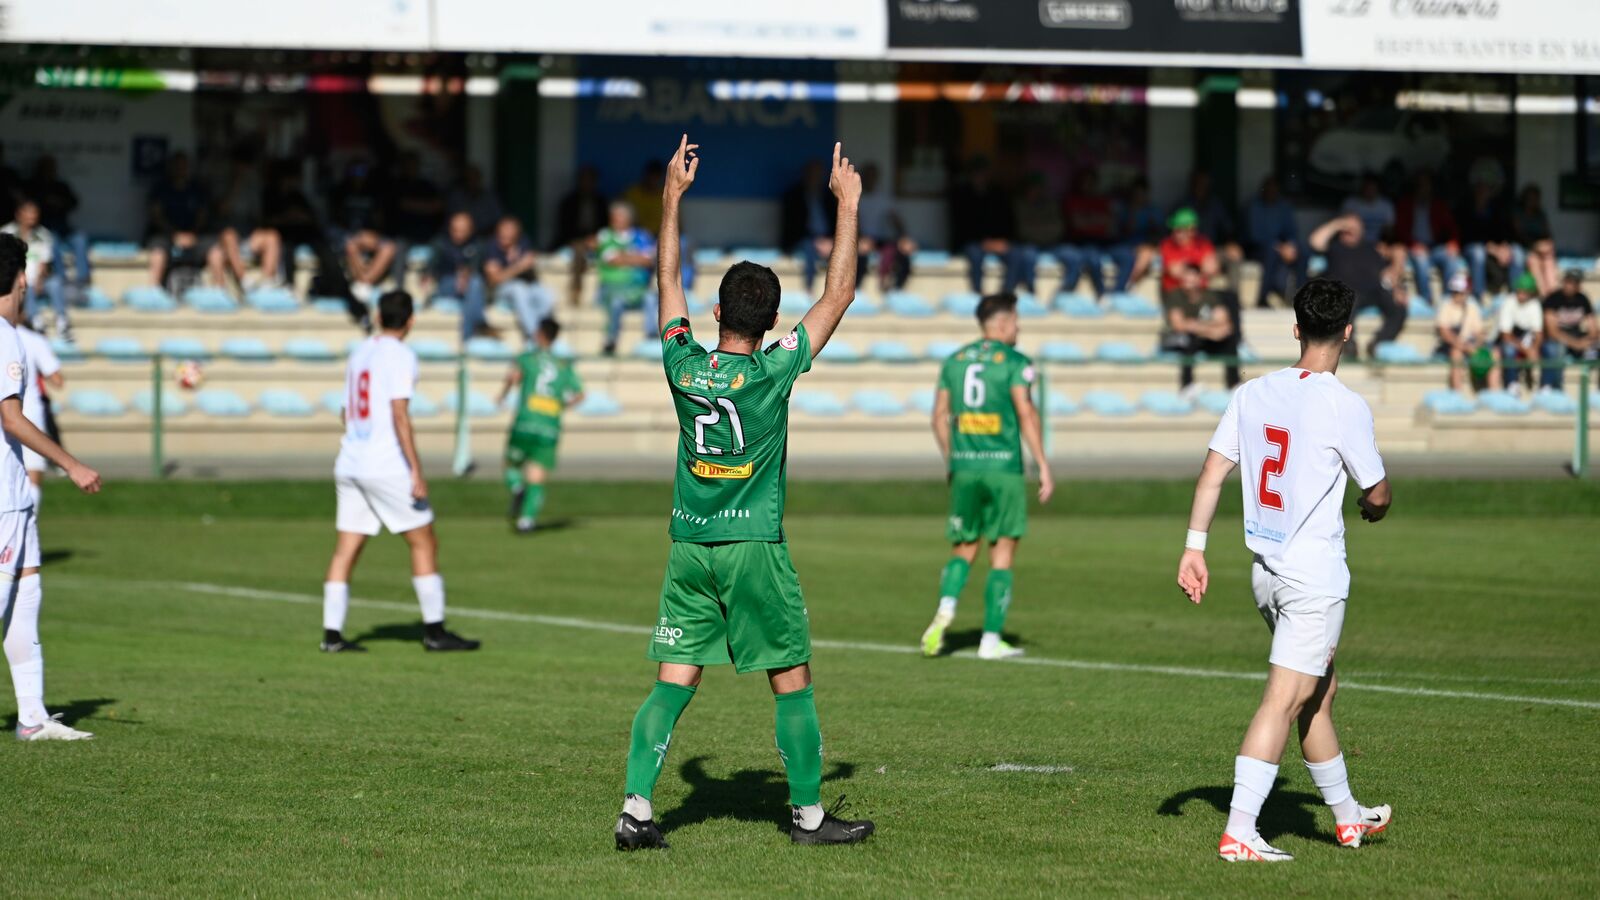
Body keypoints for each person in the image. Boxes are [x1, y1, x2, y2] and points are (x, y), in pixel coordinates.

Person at [615, 135, 874, 850]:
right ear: (769, 322)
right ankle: (808, 818)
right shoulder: (774, 372)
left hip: (689, 548)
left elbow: (666, 284)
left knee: (673, 681)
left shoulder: (683, 364)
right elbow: (841, 293)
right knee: (792, 679)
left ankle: (635, 810)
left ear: (719, 314)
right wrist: (847, 205)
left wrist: (672, 196)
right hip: (753, 548)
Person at [1177, 276, 1394, 863]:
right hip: (1311, 578)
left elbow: (1211, 475)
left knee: (1320, 689)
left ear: (1296, 328)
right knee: (1285, 697)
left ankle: (1349, 819)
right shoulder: (1343, 404)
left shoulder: (1253, 392)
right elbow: (1376, 492)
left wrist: (1194, 548)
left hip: (1266, 573)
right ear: (1348, 332)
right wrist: (1372, 509)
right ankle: (1240, 831)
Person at [321, 290, 479, 654]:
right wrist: (416, 470)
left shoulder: (359, 352)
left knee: (347, 547)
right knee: (424, 540)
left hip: (350, 462)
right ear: (411, 320)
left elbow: (346, 412)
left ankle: (331, 635)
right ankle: (436, 632)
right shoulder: (402, 354)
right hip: (385, 463)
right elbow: (399, 414)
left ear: (378, 316)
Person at [0, 233, 103, 740]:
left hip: (14, 496)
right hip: (0, 499)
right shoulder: (3, 335)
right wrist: (72, 464)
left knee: (27, 593)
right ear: (18, 278)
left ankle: (33, 718)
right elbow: (13, 420)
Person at [918, 292, 1053, 661]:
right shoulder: (1015, 362)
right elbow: (1025, 412)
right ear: (1005, 323)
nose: (1019, 327)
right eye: (1017, 321)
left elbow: (937, 417)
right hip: (1003, 468)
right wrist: (1042, 463)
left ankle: (946, 606)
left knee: (963, 546)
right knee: (1003, 551)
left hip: (964, 466)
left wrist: (953, 460)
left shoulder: (954, 361)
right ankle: (990, 640)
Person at [497, 318, 583, 534]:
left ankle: (517, 487)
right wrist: (560, 405)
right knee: (537, 475)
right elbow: (580, 394)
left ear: (539, 334)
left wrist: (503, 395)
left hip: (525, 421)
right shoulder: (564, 364)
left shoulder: (526, 358)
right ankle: (526, 521)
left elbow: (513, 377)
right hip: (549, 425)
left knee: (511, 464)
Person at [1309, 215, 1406, 358]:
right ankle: (1349, 345)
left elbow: (1398, 250)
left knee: (1399, 308)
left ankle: (1378, 344)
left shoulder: (1372, 247)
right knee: (1347, 302)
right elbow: (1315, 242)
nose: (1351, 229)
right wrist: (1337, 224)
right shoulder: (1335, 246)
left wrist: (1397, 286)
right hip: (1345, 291)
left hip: (1375, 290)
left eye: (1356, 226)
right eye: (1348, 226)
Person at [145, 152, 225, 290]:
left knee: (216, 250)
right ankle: (153, 291)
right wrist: (174, 234)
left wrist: (192, 234)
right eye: (177, 165)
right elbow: (156, 216)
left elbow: (202, 216)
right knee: (158, 251)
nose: (180, 169)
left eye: (184, 165)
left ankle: (220, 292)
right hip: (166, 236)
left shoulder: (197, 189)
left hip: (194, 237)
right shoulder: (161, 188)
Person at [1161, 266, 1241, 394]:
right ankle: (1186, 385)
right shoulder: (1175, 295)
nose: (1188, 281)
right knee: (1188, 338)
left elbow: (1224, 322)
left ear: (1199, 279)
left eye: (1192, 277)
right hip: (1179, 339)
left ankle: (1233, 383)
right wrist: (1210, 329)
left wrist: (1197, 325)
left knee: (1230, 342)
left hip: (1204, 338)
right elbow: (1178, 325)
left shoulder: (1209, 296)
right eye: (1186, 277)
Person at [950, 157, 1023, 295]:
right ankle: (977, 292)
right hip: (970, 242)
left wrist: (1001, 241)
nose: (981, 177)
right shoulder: (961, 194)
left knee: (1016, 253)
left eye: (984, 173)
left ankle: (1006, 293)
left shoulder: (997, 194)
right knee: (975, 254)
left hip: (996, 241)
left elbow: (1006, 221)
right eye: (977, 173)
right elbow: (962, 225)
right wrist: (985, 242)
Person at [1, 200, 69, 341]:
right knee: (26, 285)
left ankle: (62, 322)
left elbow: (44, 262)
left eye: (35, 213)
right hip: (13, 280)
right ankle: (36, 321)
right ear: (19, 214)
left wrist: (40, 279)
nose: (32, 216)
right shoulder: (6, 233)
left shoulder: (44, 235)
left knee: (55, 283)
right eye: (29, 212)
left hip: (36, 279)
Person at [214, 150, 283, 290]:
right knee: (229, 234)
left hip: (247, 235)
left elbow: (258, 217)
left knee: (272, 236)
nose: (243, 170)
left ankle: (267, 283)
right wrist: (237, 184)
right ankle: (244, 281)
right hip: (225, 236)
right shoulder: (221, 183)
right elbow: (222, 210)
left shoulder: (253, 186)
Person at [595, 201, 658, 356]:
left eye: (618, 217)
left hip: (638, 289)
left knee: (651, 298)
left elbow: (648, 260)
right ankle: (611, 339)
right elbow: (611, 259)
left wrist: (623, 257)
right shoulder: (605, 235)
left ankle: (651, 335)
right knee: (615, 302)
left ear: (628, 219)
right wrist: (635, 258)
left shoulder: (642, 236)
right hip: (612, 288)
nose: (614, 221)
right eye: (613, 217)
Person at [331, 160, 397, 305]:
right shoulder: (341, 192)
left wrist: (373, 235)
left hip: (371, 236)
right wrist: (357, 236)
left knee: (389, 247)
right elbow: (336, 220)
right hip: (348, 235)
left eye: (362, 172)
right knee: (350, 245)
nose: (358, 176)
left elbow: (381, 221)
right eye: (355, 172)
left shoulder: (375, 193)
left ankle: (364, 283)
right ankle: (364, 283)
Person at [24, 156, 90, 296]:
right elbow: (28, 206)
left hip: (63, 227)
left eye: (52, 168)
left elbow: (74, 202)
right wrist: (46, 202)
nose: (50, 171)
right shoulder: (32, 185)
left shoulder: (61, 186)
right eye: (47, 168)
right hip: (44, 227)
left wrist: (59, 202)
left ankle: (82, 278)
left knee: (80, 239)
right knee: (53, 241)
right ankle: (62, 279)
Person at [1393, 172, 1461, 305]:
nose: (1423, 189)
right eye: (1420, 185)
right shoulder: (1406, 204)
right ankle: (1427, 300)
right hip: (1413, 246)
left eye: (1426, 185)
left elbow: (1452, 227)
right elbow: (1399, 230)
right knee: (1422, 259)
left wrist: (1454, 242)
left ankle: (1448, 301)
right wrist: (1413, 244)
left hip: (1434, 247)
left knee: (1452, 259)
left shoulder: (1438, 205)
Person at [484, 215, 555, 341]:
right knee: (519, 289)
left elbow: (530, 262)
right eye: (503, 229)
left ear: (517, 232)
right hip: (500, 292)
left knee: (547, 294)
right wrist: (519, 266)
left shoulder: (523, 243)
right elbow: (495, 279)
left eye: (510, 229)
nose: (506, 233)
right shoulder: (491, 246)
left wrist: (525, 264)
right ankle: (533, 336)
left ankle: (543, 330)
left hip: (526, 287)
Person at [16, 322, 63, 510]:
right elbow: (57, 380)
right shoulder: (32, 339)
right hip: (29, 415)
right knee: (32, 476)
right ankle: (27, 529)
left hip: (11, 415)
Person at [1058, 168, 1126, 298]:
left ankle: (1118, 292)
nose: (1089, 185)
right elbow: (1077, 224)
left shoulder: (1102, 200)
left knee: (1127, 255)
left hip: (1104, 242)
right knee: (1093, 257)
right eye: (1086, 181)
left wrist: (1090, 220)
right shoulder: (1072, 200)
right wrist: (1097, 220)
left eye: (1092, 182)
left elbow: (1110, 225)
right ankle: (1102, 293)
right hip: (1081, 242)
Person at [1244, 174, 1305, 309]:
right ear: (1263, 189)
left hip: (1280, 248)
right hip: (1257, 249)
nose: (1272, 192)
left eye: (1275, 189)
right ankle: (1262, 298)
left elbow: (1292, 231)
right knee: (1270, 253)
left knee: (1302, 250)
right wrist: (1280, 247)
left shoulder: (1283, 206)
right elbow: (1255, 236)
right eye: (1269, 189)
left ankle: (1301, 296)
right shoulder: (1254, 206)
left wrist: (1291, 246)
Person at [1176, 171, 1242, 292]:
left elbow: (1229, 229)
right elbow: (1175, 233)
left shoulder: (1216, 204)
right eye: (1198, 184)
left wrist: (1231, 243)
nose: (1202, 187)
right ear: (1192, 185)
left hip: (1212, 249)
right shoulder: (1183, 205)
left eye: (1205, 185)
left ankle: (1233, 298)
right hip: (1189, 250)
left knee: (1234, 255)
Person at [1435, 273, 1500, 393]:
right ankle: (1457, 393)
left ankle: (1494, 392)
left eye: (1460, 292)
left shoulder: (1472, 307)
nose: (1458, 295)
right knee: (1456, 353)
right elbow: (1445, 333)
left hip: (1469, 344)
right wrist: (1466, 347)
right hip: (1453, 346)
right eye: (1455, 291)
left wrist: (1477, 345)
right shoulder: (1446, 306)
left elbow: (1479, 332)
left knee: (1495, 353)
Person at [427, 211, 488, 340]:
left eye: (463, 230)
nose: (458, 234)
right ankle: (478, 326)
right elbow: (430, 270)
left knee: (475, 284)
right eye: (455, 230)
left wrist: (466, 275)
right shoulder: (440, 243)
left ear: (471, 230)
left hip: (470, 286)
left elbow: (478, 269)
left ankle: (467, 336)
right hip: (446, 285)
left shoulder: (478, 245)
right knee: (474, 286)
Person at [856, 162, 914, 292]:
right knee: (860, 255)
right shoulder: (856, 197)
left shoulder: (883, 198)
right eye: (868, 176)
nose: (870, 179)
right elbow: (852, 221)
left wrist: (904, 238)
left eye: (873, 176)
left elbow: (896, 219)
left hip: (881, 239)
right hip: (861, 239)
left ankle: (897, 289)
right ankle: (857, 289)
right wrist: (859, 239)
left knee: (901, 253)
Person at [781, 159, 837, 293]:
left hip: (826, 238)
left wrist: (831, 240)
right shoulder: (794, 196)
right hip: (803, 239)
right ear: (805, 175)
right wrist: (816, 241)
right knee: (809, 249)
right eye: (812, 174)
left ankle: (837, 290)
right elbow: (791, 227)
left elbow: (836, 221)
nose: (815, 178)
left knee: (843, 250)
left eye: (818, 174)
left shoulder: (828, 197)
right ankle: (809, 289)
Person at [1457, 180, 1521, 299]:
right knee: (1478, 252)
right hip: (1472, 248)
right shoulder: (1465, 209)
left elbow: (1503, 232)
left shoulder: (1496, 210)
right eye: (1479, 191)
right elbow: (1467, 237)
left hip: (1494, 249)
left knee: (1517, 252)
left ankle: (1515, 296)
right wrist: (1491, 248)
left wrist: (1504, 246)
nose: (1482, 195)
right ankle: (1478, 296)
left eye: (1485, 192)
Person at [555, 165, 608, 308]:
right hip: (573, 241)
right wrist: (574, 241)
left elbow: (606, 225)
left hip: (595, 241)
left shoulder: (601, 202)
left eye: (590, 180)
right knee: (579, 250)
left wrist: (597, 238)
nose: (587, 183)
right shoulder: (568, 202)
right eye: (584, 180)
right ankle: (576, 289)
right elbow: (563, 227)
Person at [1539, 269, 1599, 393]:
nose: (1570, 285)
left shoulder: (1583, 299)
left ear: (1579, 285)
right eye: (1568, 282)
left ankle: (1595, 388)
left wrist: (1586, 341)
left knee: (1595, 346)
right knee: (1554, 348)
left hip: (1577, 337)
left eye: (1574, 283)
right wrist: (1575, 344)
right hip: (1558, 340)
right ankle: (1554, 387)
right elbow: (1552, 332)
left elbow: (1593, 328)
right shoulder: (1553, 299)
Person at [1496, 273, 1545, 395]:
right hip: (1509, 340)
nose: (1521, 295)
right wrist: (1526, 350)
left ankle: (1545, 386)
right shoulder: (1509, 302)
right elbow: (1505, 335)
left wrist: (1534, 349)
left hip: (1526, 340)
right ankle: (1512, 383)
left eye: (1525, 292)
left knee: (1549, 349)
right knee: (1509, 350)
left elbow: (1538, 333)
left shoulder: (1535, 305)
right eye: (1519, 291)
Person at [1158, 208, 1220, 295]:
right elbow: (1174, 271)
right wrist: (1198, 267)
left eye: (1179, 230)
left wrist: (1185, 266)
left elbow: (1211, 269)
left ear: (1191, 230)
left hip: (1201, 291)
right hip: (1176, 293)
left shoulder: (1203, 242)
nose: (1174, 233)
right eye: (1174, 230)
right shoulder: (1167, 244)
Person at [1513, 184, 1559, 296]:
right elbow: (1519, 236)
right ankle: (1544, 296)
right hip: (1525, 248)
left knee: (1549, 260)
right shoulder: (1518, 214)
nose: (1532, 201)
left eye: (1535, 198)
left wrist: (1548, 245)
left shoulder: (1540, 215)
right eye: (1530, 198)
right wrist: (1535, 246)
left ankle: (1553, 296)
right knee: (1534, 261)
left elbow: (1548, 235)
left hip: (1542, 250)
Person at [446, 164, 503, 238]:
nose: (472, 182)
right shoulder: (456, 196)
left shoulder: (489, 197)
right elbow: (449, 217)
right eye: (469, 179)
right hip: (457, 236)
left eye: (475, 178)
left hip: (484, 236)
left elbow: (498, 219)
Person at [1339, 174, 1394, 245]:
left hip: (1377, 244)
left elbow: (1389, 231)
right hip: (1354, 244)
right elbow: (1342, 227)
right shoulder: (1351, 203)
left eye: (1372, 188)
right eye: (1367, 188)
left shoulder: (1386, 205)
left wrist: (1385, 242)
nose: (1369, 191)